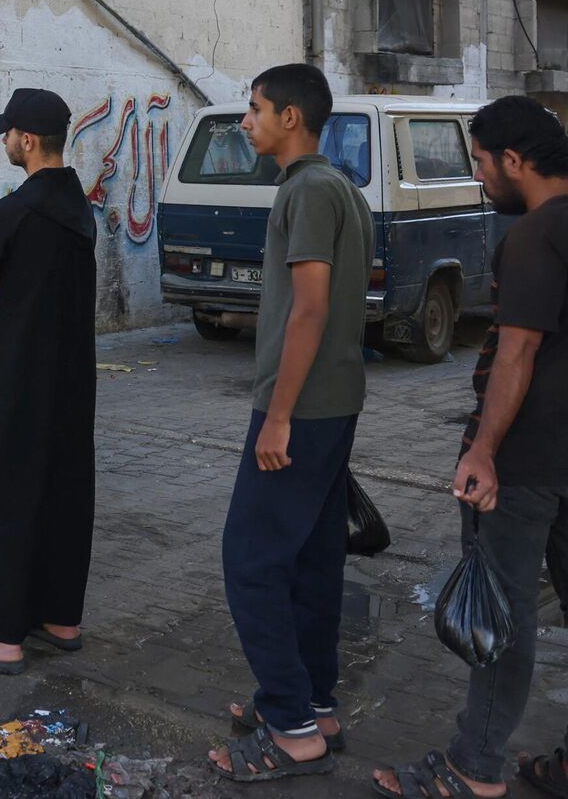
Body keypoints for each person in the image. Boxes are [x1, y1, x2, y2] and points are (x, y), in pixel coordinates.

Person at [369, 97, 568, 799]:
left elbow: (516, 350)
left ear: (515, 161)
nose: (481, 178)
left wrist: (483, 451)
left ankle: (471, 771)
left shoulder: (536, 234)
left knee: (501, 621)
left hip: (527, 461)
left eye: (482, 163)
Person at [207, 64, 373, 784]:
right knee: (311, 559)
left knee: (250, 560)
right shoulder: (334, 187)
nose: (247, 122)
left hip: (300, 409)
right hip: (331, 401)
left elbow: (310, 309)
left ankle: (292, 725)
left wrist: (277, 417)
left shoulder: (308, 190)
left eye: (254, 110)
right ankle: (317, 706)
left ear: (291, 120)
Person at [0, 91, 97, 671]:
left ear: (26, 140)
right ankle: (60, 617)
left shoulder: (14, 212)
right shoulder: (79, 211)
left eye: (7, 134)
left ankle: (1, 637)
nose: (4, 141)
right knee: (63, 490)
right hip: (72, 383)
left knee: (4, 495)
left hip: (14, 378)